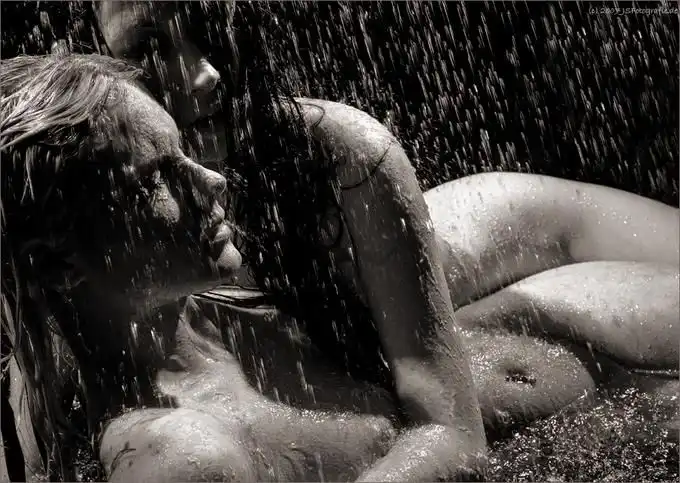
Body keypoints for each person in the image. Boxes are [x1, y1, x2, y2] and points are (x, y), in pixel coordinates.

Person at [2, 54, 676, 483]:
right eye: (157, 178)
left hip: (565, 325)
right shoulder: (180, 456)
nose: (212, 181)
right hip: (609, 402)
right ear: (56, 264)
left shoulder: (175, 304)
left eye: (184, 153)